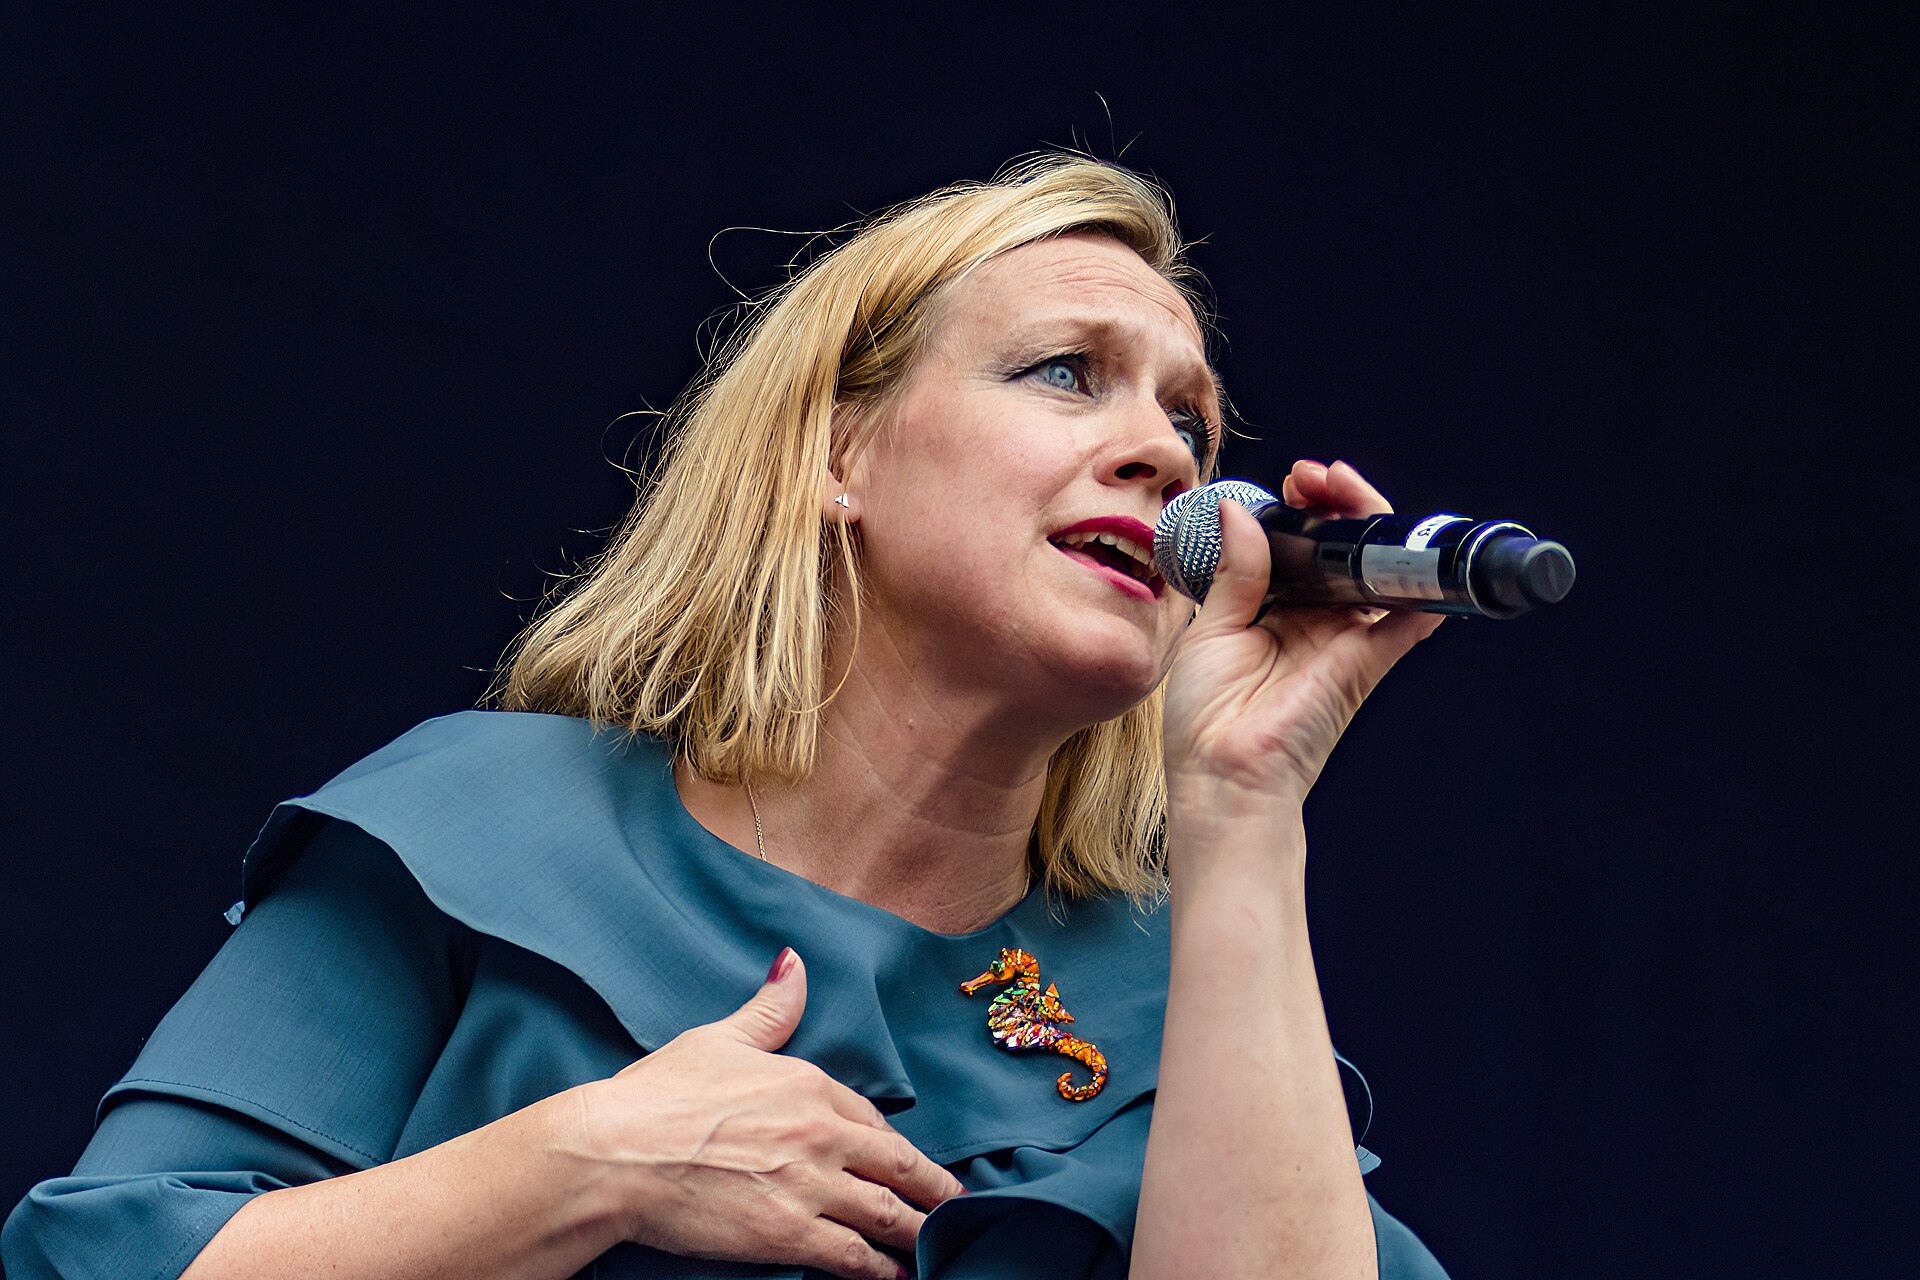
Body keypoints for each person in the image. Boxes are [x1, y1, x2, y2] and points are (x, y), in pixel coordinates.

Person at [2, 154, 1452, 1279]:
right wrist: (588, 1164)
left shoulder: (1193, 990)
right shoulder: (489, 826)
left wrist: (1244, 802)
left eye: (1191, 422)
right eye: (1065, 374)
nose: (1162, 450)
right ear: (839, 454)